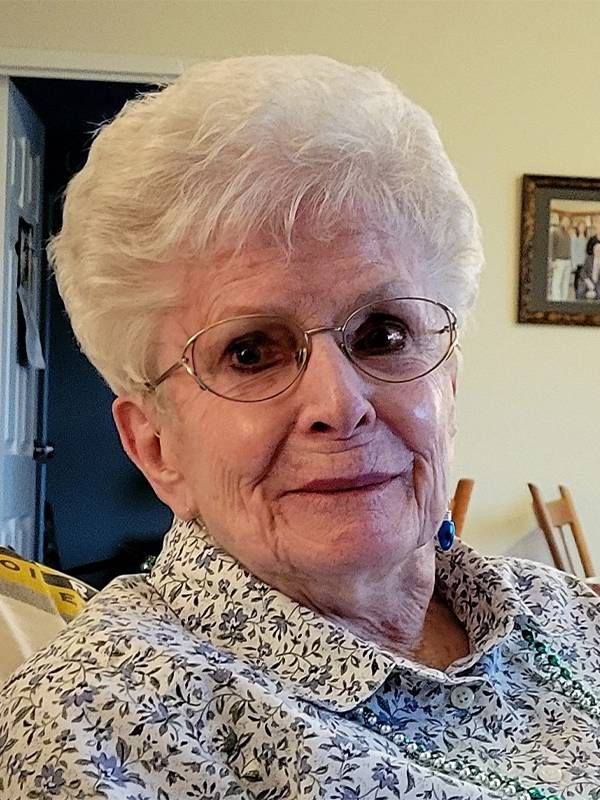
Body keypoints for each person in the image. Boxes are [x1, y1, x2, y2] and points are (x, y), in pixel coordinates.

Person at [1, 55, 599, 800]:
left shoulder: (572, 615)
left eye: (382, 334)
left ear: (448, 377)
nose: (339, 404)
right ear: (155, 447)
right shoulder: (102, 728)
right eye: (249, 352)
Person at [549, 215, 573, 300]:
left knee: (565, 283)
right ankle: (556, 302)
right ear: (561, 221)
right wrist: (552, 261)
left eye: (568, 222)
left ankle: (563, 301)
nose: (567, 223)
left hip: (567, 261)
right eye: (565, 221)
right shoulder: (555, 231)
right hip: (558, 261)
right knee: (557, 283)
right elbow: (551, 247)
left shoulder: (567, 233)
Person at [571, 220, 588, 298]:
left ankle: (581, 295)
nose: (582, 228)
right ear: (577, 228)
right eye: (581, 226)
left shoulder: (586, 238)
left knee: (583, 279)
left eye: (583, 227)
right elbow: (572, 251)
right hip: (577, 263)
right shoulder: (574, 237)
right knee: (577, 280)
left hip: (584, 263)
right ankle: (577, 295)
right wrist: (573, 264)